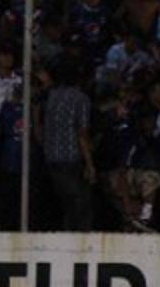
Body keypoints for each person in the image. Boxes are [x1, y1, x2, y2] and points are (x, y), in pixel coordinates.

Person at [42, 58, 95, 231]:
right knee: (80, 205)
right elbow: (82, 134)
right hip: (71, 158)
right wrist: (89, 164)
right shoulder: (81, 99)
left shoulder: (51, 96)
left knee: (66, 205)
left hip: (51, 156)